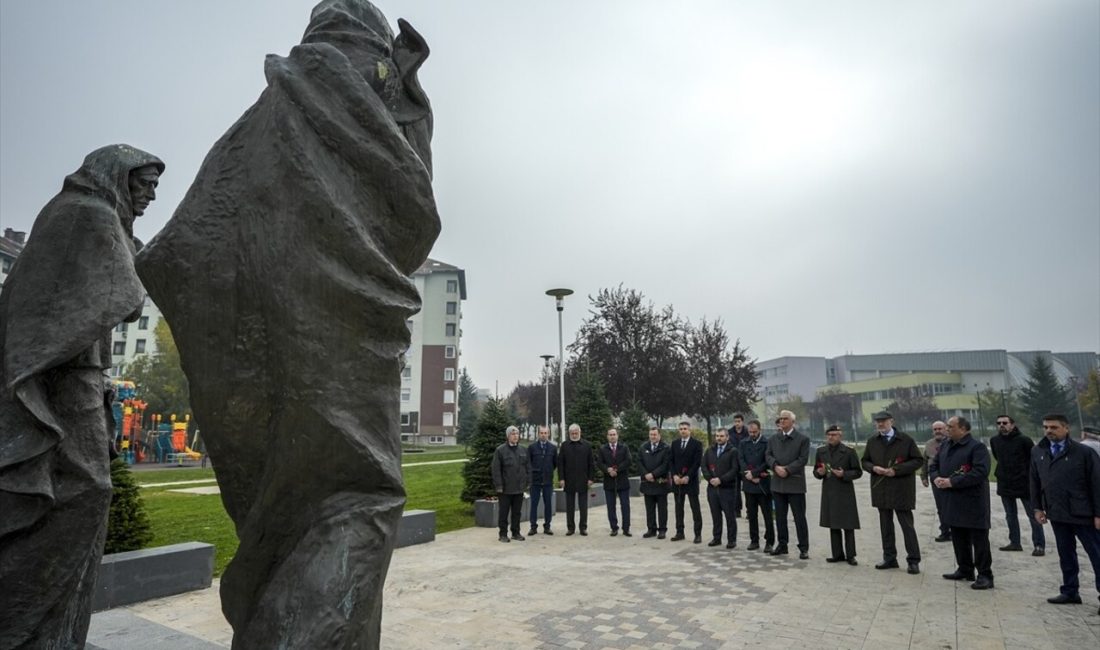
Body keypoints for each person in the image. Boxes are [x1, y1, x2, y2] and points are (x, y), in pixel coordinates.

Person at [0, 145, 163, 648]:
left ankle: (56, 627)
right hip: (66, 375)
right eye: (144, 184)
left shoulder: (82, 215)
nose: (150, 195)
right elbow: (125, 294)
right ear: (117, 176)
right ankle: (26, 623)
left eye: (155, 186)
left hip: (76, 370)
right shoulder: (86, 215)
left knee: (85, 492)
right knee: (87, 490)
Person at [1030, 414, 1100, 614]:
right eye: (1046, 427)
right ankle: (1070, 591)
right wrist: (1037, 507)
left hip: (1083, 513)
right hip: (1057, 513)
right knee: (1066, 554)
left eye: (1054, 427)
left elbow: (1096, 483)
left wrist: (1098, 513)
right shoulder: (1038, 452)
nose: (1049, 431)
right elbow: (1034, 481)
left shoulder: (1084, 452)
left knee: (1096, 554)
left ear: (1066, 428)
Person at [930, 416, 994, 590]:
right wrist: (936, 479)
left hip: (973, 501)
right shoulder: (945, 445)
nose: (947, 429)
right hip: (951, 500)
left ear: (964, 429)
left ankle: (985, 574)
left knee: (979, 540)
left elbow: (980, 472)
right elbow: (933, 465)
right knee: (958, 537)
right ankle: (965, 568)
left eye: (951, 426)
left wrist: (953, 482)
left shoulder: (977, 447)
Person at [861, 411, 923, 574]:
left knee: (907, 526)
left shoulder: (905, 440)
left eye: (883, 421)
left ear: (891, 421)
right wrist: (874, 468)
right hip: (881, 489)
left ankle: (913, 560)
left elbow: (917, 460)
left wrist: (897, 470)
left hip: (901, 489)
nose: (880, 424)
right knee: (885, 526)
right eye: (878, 421)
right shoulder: (873, 441)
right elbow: (864, 461)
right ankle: (889, 557)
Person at [990, 415, 1045, 556]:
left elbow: (1033, 460)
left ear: (1012, 425)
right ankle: (1015, 542)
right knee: (1010, 515)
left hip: (1024, 483)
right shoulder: (994, 440)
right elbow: (997, 457)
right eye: (999, 423)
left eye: (1005, 422)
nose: (1001, 425)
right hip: (1005, 482)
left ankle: (1039, 545)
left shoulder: (1024, 441)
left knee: (1033, 515)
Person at [814, 425, 862, 565]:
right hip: (829, 491)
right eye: (829, 434)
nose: (831, 437)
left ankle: (851, 555)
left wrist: (844, 474)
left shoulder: (848, 451)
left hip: (845, 491)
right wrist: (819, 473)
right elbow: (816, 471)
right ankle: (837, 554)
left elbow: (858, 472)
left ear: (840, 436)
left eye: (834, 434)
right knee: (833, 524)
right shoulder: (821, 451)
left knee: (848, 524)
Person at [766, 410, 810, 559]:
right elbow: (768, 455)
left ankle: (803, 547)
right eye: (780, 419)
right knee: (779, 517)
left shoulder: (802, 439)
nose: (782, 421)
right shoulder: (773, 439)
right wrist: (775, 466)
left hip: (795, 484)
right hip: (778, 484)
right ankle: (782, 544)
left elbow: (803, 459)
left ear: (793, 422)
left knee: (799, 517)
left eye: (785, 419)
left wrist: (788, 470)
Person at [739, 419, 774, 552]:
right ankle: (754, 540)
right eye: (750, 432)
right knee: (752, 514)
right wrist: (748, 475)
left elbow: (768, 460)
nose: (752, 434)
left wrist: (755, 474)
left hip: (762, 483)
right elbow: (741, 460)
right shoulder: (743, 443)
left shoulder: (767, 442)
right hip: (748, 483)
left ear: (760, 430)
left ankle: (770, 541)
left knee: (767, 515)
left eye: (754, 431)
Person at [492, 426, 531, 542]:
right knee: (503, 513)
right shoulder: (500, 450)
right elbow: (496, 470)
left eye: (517, 434)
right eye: (513, 434)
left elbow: (528, 467)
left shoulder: (523, 450)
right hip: (505, 489)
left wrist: (529, 482)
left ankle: (516, 532)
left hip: (519, 488)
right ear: (508, 436)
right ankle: (503, 534)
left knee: (517, 513)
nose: (515, 436)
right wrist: (499, 486)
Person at [702, 428, 740, 548]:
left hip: (727, 489)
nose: (719, 438)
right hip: (712, 488)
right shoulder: (709, 451)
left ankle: (731, 540)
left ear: (727, 437)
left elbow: (734, 469)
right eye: (717, 436)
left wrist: (721, 480)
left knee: (730, 516)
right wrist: (710, 479)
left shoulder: (733, 451)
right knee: (715, 515)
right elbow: (704, 466)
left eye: (722, 436)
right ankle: (716, 538)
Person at [669, 421, 704, 543]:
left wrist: (688, 476)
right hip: (677, 481)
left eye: (685, 428)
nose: (683, 430)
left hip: (691, 481)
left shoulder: (697, 444)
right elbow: (671, 461)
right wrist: (674, 475)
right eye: (681, 429)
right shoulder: (674, 444)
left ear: (690, 430)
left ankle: (698, 534)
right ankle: (679, 532)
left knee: (695, 508)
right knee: (679, 508)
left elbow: (697, 462)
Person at [557, 423, 595, 535]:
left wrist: (591, 478)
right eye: (572, 433)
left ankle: (583, 527)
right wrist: (561, 478)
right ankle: (570, 528)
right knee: (570, 506)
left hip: (583, 479)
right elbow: (560, 464)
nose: (574, 435)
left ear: (579, 432)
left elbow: (591, 463)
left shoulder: (587, 445)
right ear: (569, 434)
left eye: (576, 433)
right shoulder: (564, 445)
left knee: (583, 506)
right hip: (569, 480)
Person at [920, 421, 952, 542]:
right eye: (935, 429)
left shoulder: (952, 442)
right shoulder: (929, 444)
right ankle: (945, 531)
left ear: (946, 429)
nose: (938, 431)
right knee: (941, 507)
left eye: (940, 428)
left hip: (951, 479)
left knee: (953, 506)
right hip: (935, 480)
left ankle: (957, 531)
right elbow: (925, 461)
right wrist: (924, 477)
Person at [597, 427, 632, 537]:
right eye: (610, 435)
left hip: (622, 481)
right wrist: (607, 470)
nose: (612, 436)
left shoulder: (624, 448)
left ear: (617, 436)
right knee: (611, 506)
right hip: (609, 482)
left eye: (614, 434)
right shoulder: (603, 449)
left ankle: (626, 529)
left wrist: (617, 469)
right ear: (607, 436)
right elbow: (599, 463)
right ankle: (614, 528)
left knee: (625, 506)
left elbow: (628, 461)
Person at [639, 426, 670, 539]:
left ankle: (662, 530)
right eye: (651, 434)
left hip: (661, 482)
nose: (652, 436)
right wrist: (646, 474)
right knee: (649, 508)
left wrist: (653, 474)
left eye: (655, 434)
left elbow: (666, 464)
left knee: (662, 508)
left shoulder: (666, 448)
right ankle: (651, 529)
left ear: (659, 435)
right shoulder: (643, 447)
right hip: (647, 483)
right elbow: (640, 462)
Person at [527, 425, 557, 535]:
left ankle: (547, 526)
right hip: (535, 481)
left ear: (548, 434)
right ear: (538, 434)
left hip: (548, 481)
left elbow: (555, 464)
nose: (543, 435)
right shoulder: (532, 447)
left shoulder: (553, 448)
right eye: (541, 433)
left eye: (545, 433)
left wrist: (548, 471)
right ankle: (533, 527)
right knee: (534, 504)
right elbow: (528, 463)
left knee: (548, 504)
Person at [728, 414, 750, 516]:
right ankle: (737, 510)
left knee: (747, 488)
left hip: (745, 463)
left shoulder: (747, 432)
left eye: (739, 421)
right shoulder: (729, 433)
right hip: (734, 463)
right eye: (735, 421)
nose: (737, 423)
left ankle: (749, 510)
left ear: (742, 422)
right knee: (735, 489)